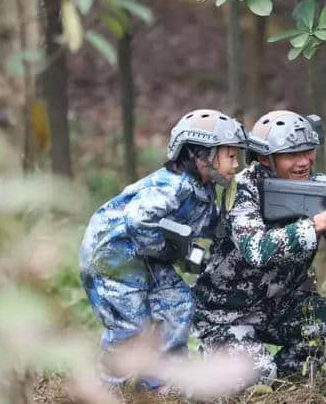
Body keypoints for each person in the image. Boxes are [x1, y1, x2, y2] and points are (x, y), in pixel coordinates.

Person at [193, 110, 326, 387]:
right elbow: (256, 249)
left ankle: (286, 389)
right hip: (223, 315)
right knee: (258, 374)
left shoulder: (320, 186)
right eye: (291, 154)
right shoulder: (243, 189)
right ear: (266, 158)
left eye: (308, 151)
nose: (304, 162)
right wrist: (320, 223)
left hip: (276, 307)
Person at [79, 109, 247, 389]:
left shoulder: (205, 189)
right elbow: (137, 221)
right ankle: (106, 389)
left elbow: (210, 228)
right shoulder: (172, 187)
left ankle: (162, 384)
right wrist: (175, 251)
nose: (236, 163)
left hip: (146, 256)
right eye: (230, 156)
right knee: (131, 329)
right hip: (113, 256)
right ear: (201, 155)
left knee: (179, 304)